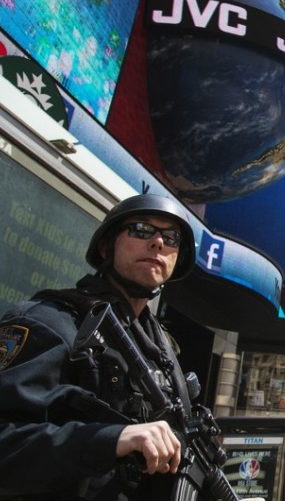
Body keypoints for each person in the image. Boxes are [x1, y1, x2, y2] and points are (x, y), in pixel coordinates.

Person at [0, 194, 206, 500]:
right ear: (105, 246)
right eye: (140, 229)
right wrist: (111, 440)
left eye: (171, 237)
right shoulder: (51, 323)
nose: (158, 243)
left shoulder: (162, 354)